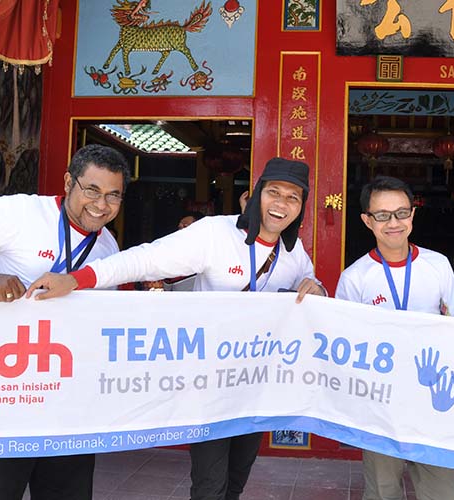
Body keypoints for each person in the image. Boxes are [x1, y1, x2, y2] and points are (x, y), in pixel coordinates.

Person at [26, 157, 327, 500]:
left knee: (236, 480)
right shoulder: (215, 233)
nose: (281, 204)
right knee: (210, 485)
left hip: (257, 386)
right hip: (211, 384)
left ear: (300, 207)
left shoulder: (293, 252)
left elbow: (310, 282)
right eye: (274, 192)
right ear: (256, 194)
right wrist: (76, 279)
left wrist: (316, 287)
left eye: (292, 197)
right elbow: (144, 259)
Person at [0, 144, 131, 500]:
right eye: (92, 190)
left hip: (68, 403)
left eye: (113, 195)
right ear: (69, 182)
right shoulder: (23, 212)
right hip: (7, 394)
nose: (101, 204)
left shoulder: (108, 247)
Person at [335, 176, 454, 500]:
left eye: (401, 213)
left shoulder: (438, 266)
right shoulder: (354, 278)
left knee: (442, 493)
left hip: (433, 400)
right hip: (379, 403)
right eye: (382, 215)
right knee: (382, 491)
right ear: (367, 220)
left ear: (412, 214)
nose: (393, 223)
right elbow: (344, 345)